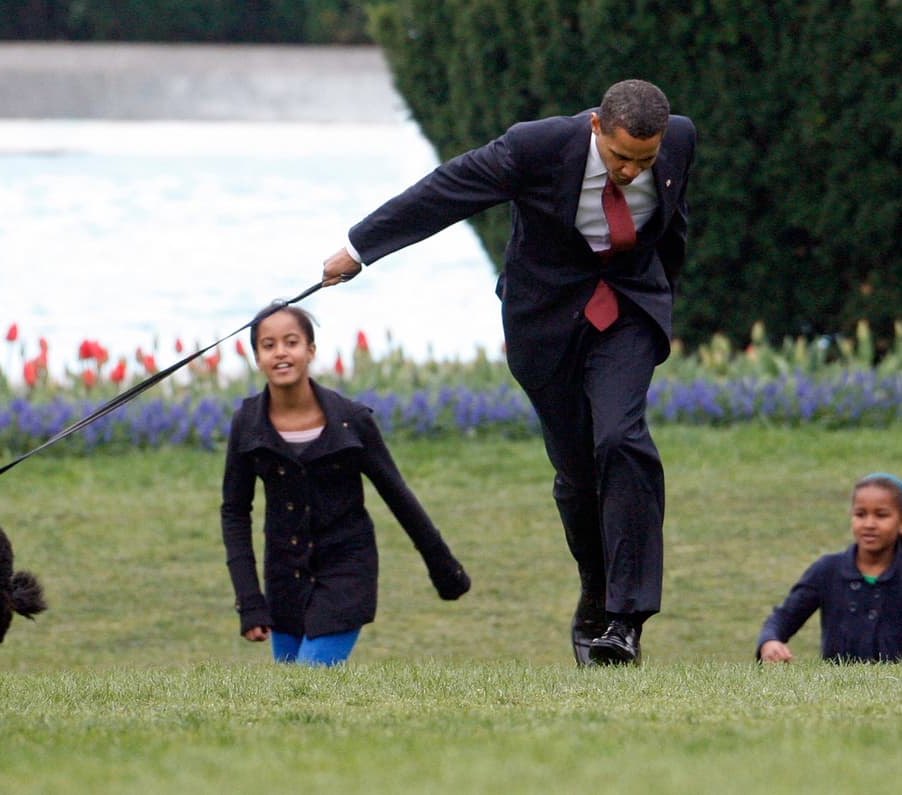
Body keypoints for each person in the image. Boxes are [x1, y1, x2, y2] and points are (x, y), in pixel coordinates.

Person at [321, 79, 695, 665]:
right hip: (545, 320)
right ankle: (594, 592)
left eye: (643, 161)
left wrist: (664, 300)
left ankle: (626, 619)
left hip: (626, 309)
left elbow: (671, 227)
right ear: (596, 126)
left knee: (622, 440)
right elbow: (446, 192)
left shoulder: (677, 144)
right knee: (577, 472)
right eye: (621, 157)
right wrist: (360, 249)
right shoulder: (536, 148)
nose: (630, 171)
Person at [220, 304, 471, 666]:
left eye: (291, 342)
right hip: (284, 578)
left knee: (307, 679)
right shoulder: (247, 423)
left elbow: (397, 495)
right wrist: (249, 600)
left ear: (311, 350)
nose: (281, 353)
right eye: (269, 345)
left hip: (346, 571)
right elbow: (234, 512)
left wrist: (444, 569)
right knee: (287, 693)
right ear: (257, 356)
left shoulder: (351, 421)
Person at [756, 473, 902, 663]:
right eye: (860, 514)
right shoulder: (826, 571)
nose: (869, 524)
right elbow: (783, 618)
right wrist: (769, 642)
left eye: (881, 515)